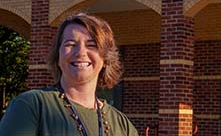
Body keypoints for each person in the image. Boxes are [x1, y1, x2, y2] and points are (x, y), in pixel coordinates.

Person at [0, 13, 138, 136]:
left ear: (105, 59)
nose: (80, 52)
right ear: (58, 56)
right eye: (70, 44)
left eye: (91, 45)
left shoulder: (123, 125)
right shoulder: (31, 106)